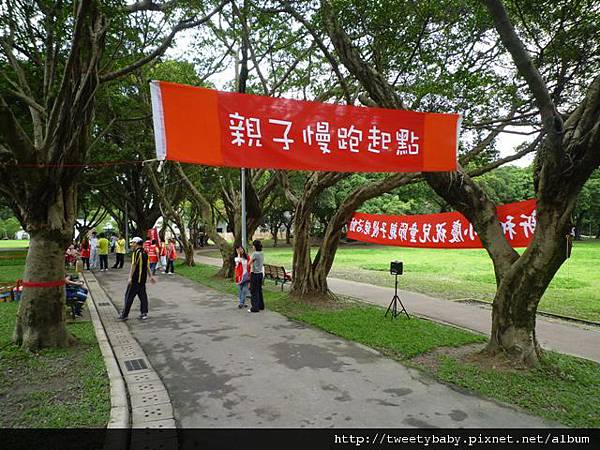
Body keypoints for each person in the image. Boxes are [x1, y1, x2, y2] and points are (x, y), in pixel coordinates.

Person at [118, 237, 156, 321]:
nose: (131, 245)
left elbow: (133, 265)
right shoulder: (145, 252)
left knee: (128, 297)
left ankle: (124, 315)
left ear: (136, 243)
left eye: (132, 243)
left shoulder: (136, 253)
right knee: (143, 297)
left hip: (135, 280)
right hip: (142, 280)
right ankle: (144, 313)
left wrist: (130, 277)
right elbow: (147, 266)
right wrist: (150, 276)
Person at [248, 239, 265, 313]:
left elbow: (249, 263)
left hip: (254, 274)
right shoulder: (262, 253)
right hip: (260, 274)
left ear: (255, 246)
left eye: (253, 245)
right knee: (259, 290)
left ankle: (255, 308)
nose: (252, 247)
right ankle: (261, 306)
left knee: (254, 291)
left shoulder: (255, 254)